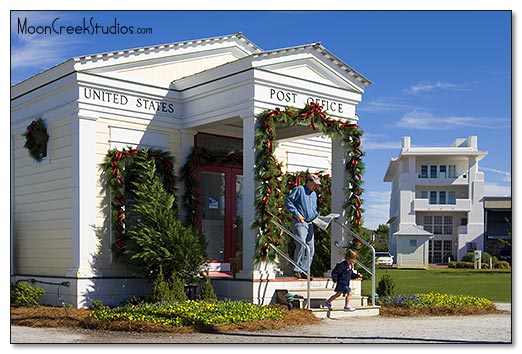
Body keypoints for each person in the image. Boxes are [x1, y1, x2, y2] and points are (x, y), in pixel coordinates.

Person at [284, 174, 321, 280]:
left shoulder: (314, 194)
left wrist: (321, 218)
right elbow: (288, 201)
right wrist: (297, 214)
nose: (316, 186)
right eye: (315, 184)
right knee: (301, 245)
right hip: (300, 222)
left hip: (310, 223)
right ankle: (297, 270)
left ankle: (304, 270)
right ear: (309, 181)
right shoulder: (299, 189)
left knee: (311, 249)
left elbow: (314, 210)